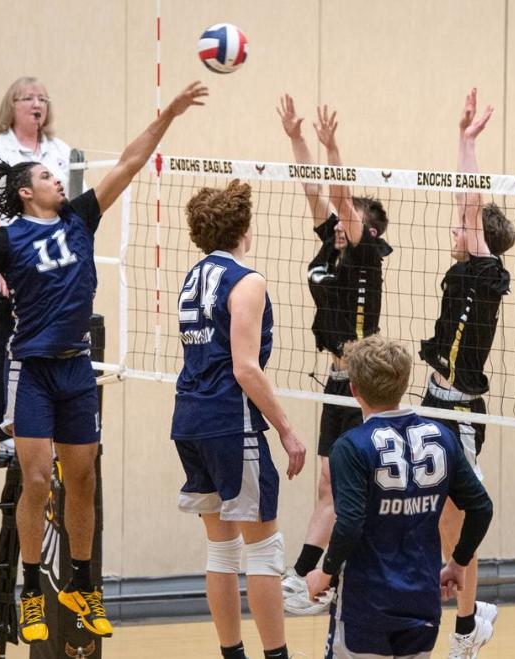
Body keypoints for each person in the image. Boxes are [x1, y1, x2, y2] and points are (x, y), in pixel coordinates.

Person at [0, 81, 208, 644]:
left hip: (77, 369)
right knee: (39, 480)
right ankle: (29, 592)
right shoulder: (7, 241)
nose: (56, 178)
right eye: (46, 176)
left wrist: (166, 113)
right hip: (33, 371)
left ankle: (83, 583)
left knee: (84, 478)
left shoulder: (79, 218)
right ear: (26, 193)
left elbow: (130, 162)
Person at [171, 180, 308, 659]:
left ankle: (232, 654)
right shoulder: (247, 280)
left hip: (189, 419)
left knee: (221, 551)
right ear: (244, 228)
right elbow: (245, 367)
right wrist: (288, 430)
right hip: (231, 421)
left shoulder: (193, 276)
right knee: (264, 550)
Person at [305, 334, 494, 659]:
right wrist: (458, 562)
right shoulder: (441, 438)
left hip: (366, 604)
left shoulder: (350, 447)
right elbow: (481, 507)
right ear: (405, 384)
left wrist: (324, 573)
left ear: (354, 389)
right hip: (421, 601)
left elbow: (349, 522)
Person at [275, 95, 392, 614]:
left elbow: (341, 198)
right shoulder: (333, 243)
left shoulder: (365, 251)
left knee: (342, 483)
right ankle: (310, 575)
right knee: (327, 482)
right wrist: (297, 138)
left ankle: (313, 576)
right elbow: (313, 191)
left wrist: (332, 146)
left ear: (368, 229)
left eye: (352, 218)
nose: (342, 221)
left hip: (364, 383)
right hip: (334, 382)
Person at [418, 88, 515, 658]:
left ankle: (465, 630)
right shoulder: (463, 271)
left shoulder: (485, 270)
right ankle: (472, 615)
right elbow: (466, 204)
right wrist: (458, 136)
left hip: (461, 410)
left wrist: (467, 140)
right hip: (433, 398)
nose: (455, 227)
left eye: (463, 225)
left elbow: (471, 200)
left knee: (458, 523)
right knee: (443, 523)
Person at [0, 76, 73, 455]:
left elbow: (71, 211)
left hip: (51, 250)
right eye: (28, 97)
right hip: (5, 246)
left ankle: (48, 425)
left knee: (51, 337)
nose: (37, 103)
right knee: (6, 340)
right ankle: (7, 429)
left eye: (43, 97)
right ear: (11, 106)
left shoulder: (61, 151)